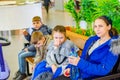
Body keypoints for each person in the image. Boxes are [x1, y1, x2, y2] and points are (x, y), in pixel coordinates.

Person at [63, 16, 119, 80]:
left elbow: (104, 69)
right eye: (95, 26)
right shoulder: (92, 40)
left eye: (100, 26)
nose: (97, 29)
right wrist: (70, 67)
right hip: (79, 73)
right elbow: (83, 57)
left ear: (109, 27)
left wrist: (80, 63)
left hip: (93, 77)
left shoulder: (114, 46)